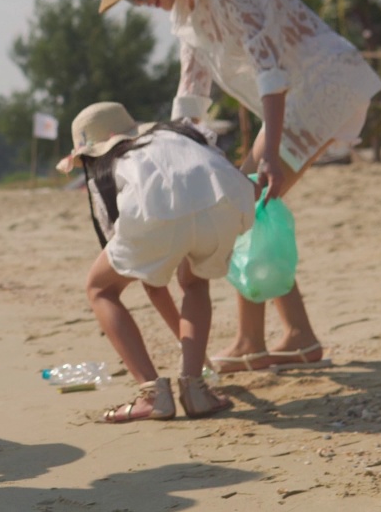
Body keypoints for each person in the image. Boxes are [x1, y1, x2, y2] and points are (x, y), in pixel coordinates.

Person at [99, 0, 381, 374]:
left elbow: (270, 68)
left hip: (323, 85)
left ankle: (262, 340)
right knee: (241, 202)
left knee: (240, 203)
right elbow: (191, 95)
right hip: (293, 99)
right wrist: (178, 155)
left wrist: (269, 151)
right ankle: (293, 337)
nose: (140, 3)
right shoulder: (184, 12)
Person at [59, 102, 248, 422]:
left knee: (100, 289)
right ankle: (195, 389)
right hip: (225, 199)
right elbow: (156, 284)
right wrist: (196, 357)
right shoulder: (175, 136)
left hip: (157, 214)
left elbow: (152, 280)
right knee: (194, 282)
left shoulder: (109, 167)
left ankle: (152, 394)